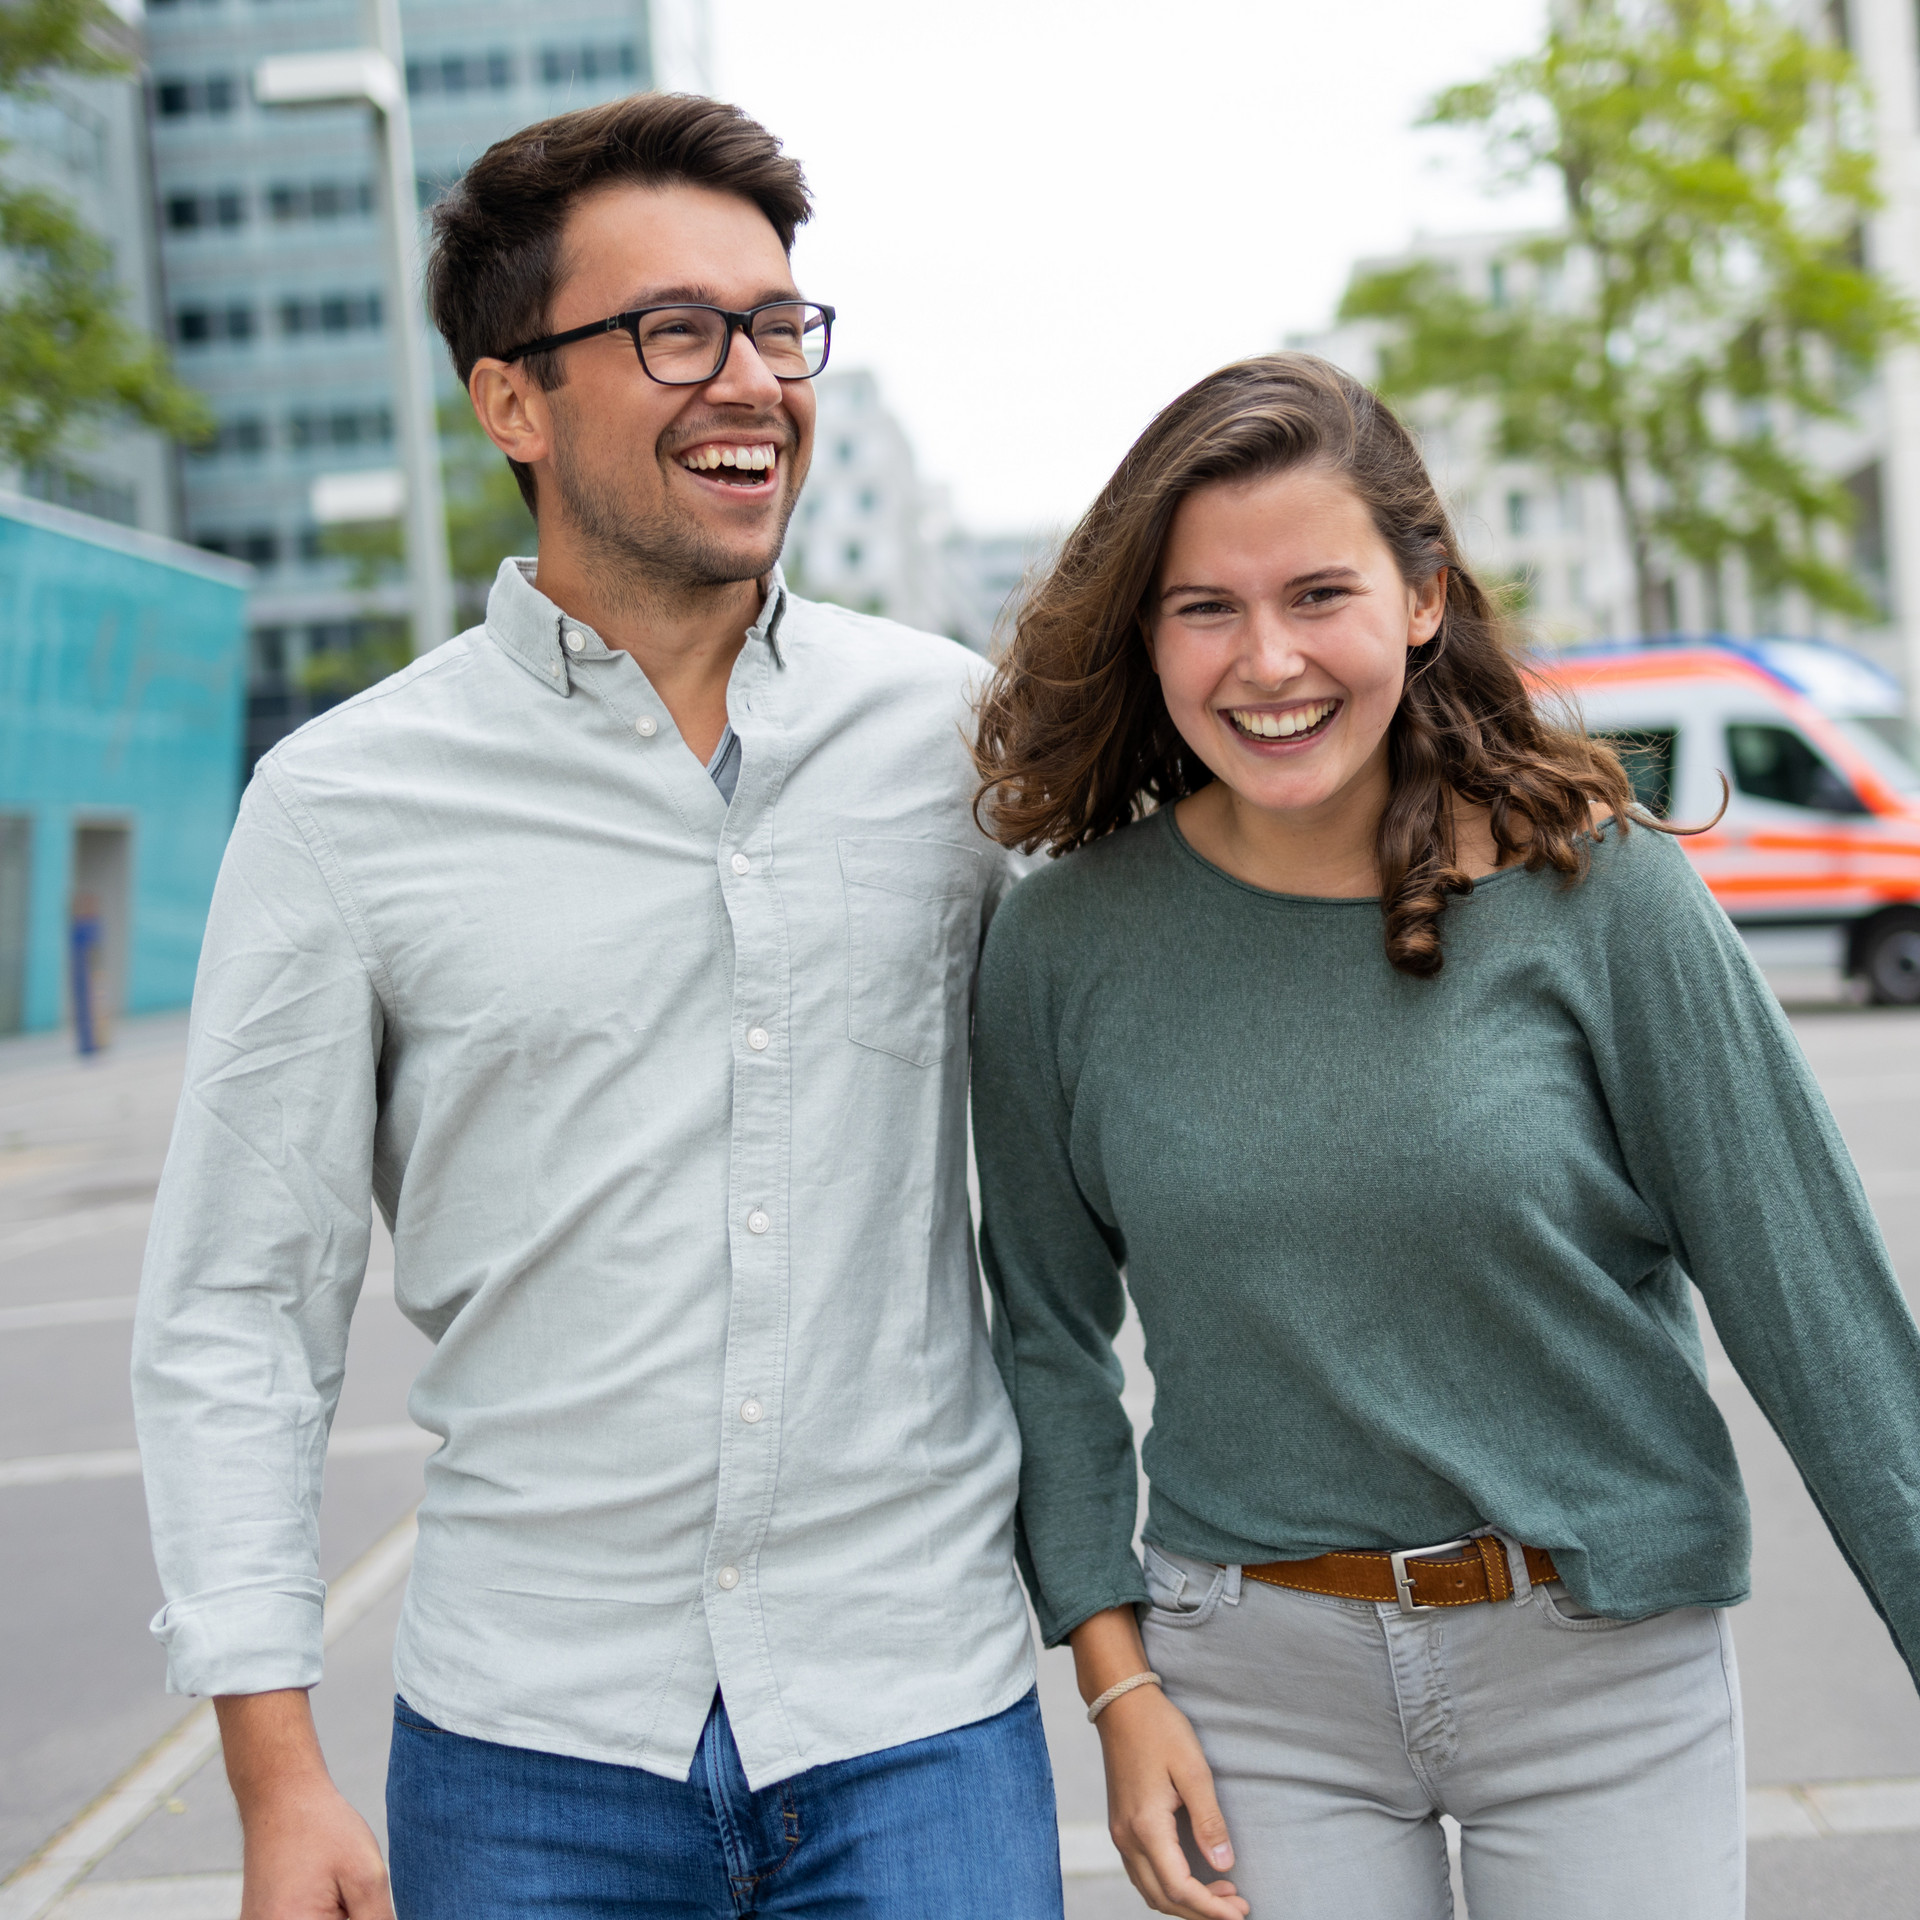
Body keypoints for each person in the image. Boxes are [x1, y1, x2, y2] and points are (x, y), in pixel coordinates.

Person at [133, 93, 1062, 1920]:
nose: (750, 379)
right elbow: (240, 1309)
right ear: (512, 400)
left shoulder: (957, 737)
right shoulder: (340, 809)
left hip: (919, 1711)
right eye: (674, 332)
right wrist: (277, 1774)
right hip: (530, 1748)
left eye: (776, 325)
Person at [968, 351, 1920, 1920]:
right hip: (1254, 1687)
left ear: (1421, 598)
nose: (1265, 660)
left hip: (1598, 1665)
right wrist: (1117, 1684)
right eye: (1204, 606)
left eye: (1318, 594)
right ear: (1146, 633)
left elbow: (1815, 1308)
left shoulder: (1599, 895)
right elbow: (1046, 1344)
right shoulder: (1066, 941)